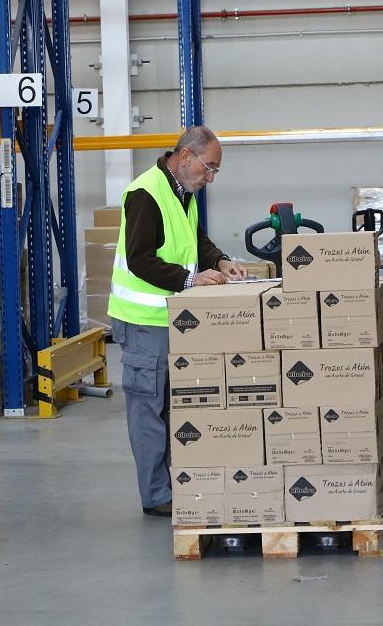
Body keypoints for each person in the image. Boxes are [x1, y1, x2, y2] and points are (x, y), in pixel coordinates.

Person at [107, 126, 247, 517]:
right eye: (209, 168)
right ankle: (155, 496)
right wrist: (190, 279)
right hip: (143, 322)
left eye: (215, 171)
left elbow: (194, 240)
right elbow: (140, 258)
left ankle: (172, 485)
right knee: (148, 410)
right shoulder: (146, 194)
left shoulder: (182, 194)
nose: (211, 178)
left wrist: (219, 260)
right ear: (185, 157)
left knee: (172, 408)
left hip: (173, 320)